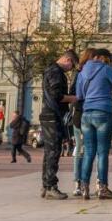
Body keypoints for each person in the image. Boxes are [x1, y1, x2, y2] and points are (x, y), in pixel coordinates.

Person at [75, 48, 112, 200]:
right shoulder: (105, 69)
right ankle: (102, 188)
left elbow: (79, 95)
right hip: (103, 112)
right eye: (105, 59)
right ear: (98, 57)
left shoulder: (82, 72)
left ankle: (84, 187)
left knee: (89, 152)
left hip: (86, 114)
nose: (107, 61)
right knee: (102, 153)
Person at [39, 49, 78, 200]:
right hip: (52, 115)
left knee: (49, 152)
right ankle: (50, 187)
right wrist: (73, 98)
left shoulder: (50, 69)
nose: (70, 70)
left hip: (49, 115)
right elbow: (57, 96)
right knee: (54, 152)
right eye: (72, 67)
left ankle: (45, 185)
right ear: (68, 60)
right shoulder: (56, 72)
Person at [69, 48, 96, 197]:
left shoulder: (79, 73)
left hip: (82, 114)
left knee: (82, 150)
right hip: (83, 114)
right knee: (83, 150)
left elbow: (73, 93)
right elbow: (74, 94)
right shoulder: (82, 74)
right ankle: (80, 183)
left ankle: (80, 183)